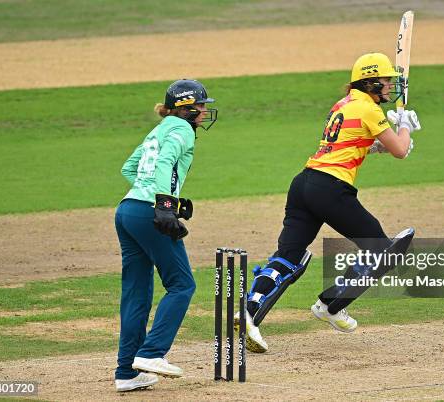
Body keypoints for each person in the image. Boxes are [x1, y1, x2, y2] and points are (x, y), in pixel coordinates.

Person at [238, 53, 421, 353]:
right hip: (331, 188)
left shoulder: (344, 104)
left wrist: (386, 144)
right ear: (371, 82)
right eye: (387, 81)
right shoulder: (368, 109)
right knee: (381, 250)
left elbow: (351, 144)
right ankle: (330, 305)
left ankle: (248, 312)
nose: (390, 86)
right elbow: (401, 150)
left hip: (303, 184)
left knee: (288, 255)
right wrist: (405, 127)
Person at [113, 79, 218, 392]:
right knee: (182, 284)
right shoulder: (181, 129)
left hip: (127, 210)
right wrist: (164, 204)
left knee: (136, 292)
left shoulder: (157, 130)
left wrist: (159, 194)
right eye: (200, 106)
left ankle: (126, 372)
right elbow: (164, 161)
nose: (204, 111)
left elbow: (129, 169)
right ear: (186, 108)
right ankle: (152, 353)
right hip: (148, 212)